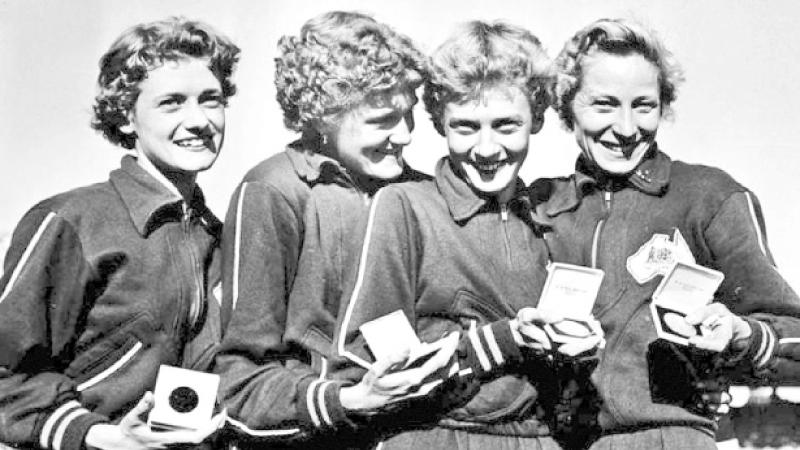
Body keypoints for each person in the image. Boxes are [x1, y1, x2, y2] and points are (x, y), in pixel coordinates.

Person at [532, 17, 800, 449]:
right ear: (567, 108)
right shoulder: (540, 207)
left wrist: (739, 334)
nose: (624, 128)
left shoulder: (709, 197)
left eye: (643, 105)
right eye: (603, 105)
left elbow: (794, 334)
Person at [334, 20, 603, 450]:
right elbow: (371, 357)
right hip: (434, 437)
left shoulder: (549, 214)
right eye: (464, 126)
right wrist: (502, 340)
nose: (486, 149)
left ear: (536, 119)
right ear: (439, 122)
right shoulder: (405, 206)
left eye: (506, 125)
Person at [214, 11, 456, 448]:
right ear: (323, 115)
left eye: (409, 115)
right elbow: (241, 377)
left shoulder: (422, 193)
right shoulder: (273, 191)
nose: (403, 136)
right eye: (383, 120)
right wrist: (348, 399)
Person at [0, 17, 239, 450]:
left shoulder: (216, 237)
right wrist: (97, 435)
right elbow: (6, 374)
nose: (199, 120)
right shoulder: (71, 220)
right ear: (127, 117)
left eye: (211, 100)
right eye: (171, 103)